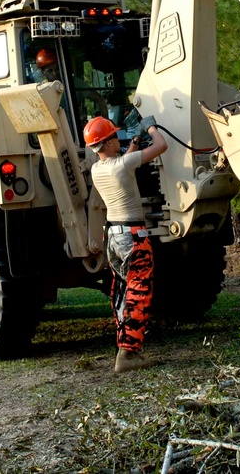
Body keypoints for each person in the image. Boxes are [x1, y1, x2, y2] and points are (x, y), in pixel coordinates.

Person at [85, 114, 168, 372]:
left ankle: (124, 348)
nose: (117, 140)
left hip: (113, 237)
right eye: (114, 137)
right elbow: (161, 145)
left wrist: (133, 140)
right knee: (138, 292)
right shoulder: (122, 165)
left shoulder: (97, 169)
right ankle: (128, 356)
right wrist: (151, 128)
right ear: (107, 143)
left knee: (122, 292)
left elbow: (124, 160)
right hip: (133, 237)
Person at [36, 47, 108, 118]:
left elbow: (99, 99)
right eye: (50, 70)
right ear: (42, 71)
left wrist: (106, 120)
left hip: (76, 125)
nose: (55, 73)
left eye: (57, 69)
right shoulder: (41, 90)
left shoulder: (73, 82)